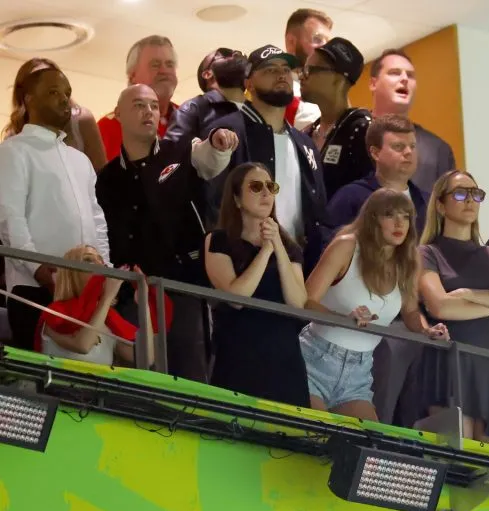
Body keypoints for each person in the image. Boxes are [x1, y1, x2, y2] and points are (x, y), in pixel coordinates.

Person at [95, 84, 238, 382]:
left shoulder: (183, 151)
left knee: (190, 380)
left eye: (153, 105)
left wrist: (218, 142)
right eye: (138, 104)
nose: (148, 111)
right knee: (136, 382)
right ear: (117, 114)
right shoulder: (107, 178)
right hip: (132, 295)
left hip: (184, 289)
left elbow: (210, 158)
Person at [302, 188, 448, 418]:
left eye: (406, 216)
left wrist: (427, 330)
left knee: (369, 446)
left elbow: (410, 311)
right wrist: (344, 319)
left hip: (359, 372)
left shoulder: (408, 262)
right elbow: (306, 301)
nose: (399, 223)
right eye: (390, 215)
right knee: (317, 437)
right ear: (372, 219)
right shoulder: (346, 246)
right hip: (316, 359)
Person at [0, 64, 109, 350]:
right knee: (40, 385)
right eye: (53, 92)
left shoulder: (79, 159)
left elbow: (97, 220)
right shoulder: (14, 150)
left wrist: (106, 273)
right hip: (34, 289)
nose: (64, 99)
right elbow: (10, 218)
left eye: (67, 93)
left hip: (85, 290)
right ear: (28, 100)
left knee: (88, 383)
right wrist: (38, 270)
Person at [418, 170, 489, 447]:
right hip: (451, 361)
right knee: (455, 458)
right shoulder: (426, 253)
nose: (470, 200)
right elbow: (441, 306)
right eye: (460, 193)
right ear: (440, 205)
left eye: (475, 194)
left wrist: (470, 295)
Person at [203, 44, 330, 275]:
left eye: (285, 69)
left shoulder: (305, 143)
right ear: (248, 83)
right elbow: (214, 204)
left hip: (298, 268)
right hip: (246, 267)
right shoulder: (227, 131)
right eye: (270, 69)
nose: (282, 74)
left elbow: (317, 210)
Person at [204, 163, 309, 406]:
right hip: (239, 353)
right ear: (237, 199)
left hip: (284, 356)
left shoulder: (289, 247)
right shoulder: (219, 241)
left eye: (270, 187)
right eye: (255, 187)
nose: (266, 193)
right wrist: (265, 251)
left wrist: (279, 248)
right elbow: (237, 298)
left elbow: (298, 303)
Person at [36, 245, 165, 368]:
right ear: (71, 274)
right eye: (88, 260)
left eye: (101, 261)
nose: (101, 266)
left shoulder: (109, 319)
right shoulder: (56, 313)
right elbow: (83, 345)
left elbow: (145, 358)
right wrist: (107, 298)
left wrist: (144, 304)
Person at [368, 49, 455, 193]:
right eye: (395, 73)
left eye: (410, 75)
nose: (404, 79)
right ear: (373, 83)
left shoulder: (438, 150)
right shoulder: (352, 135)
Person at [299, 37, 373, 201]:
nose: (301, 76)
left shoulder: (362, 130)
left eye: (310, 70)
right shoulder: (307, 133)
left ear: (338, 79)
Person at [3, 58, 106, 172]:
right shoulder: (13, 137)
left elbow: (102, 176)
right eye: (50, 91)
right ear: (28, 98)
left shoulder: (81, 120)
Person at [328, 114, 425, 231]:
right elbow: (327, 245)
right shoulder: (350, 197)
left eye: (413, 146)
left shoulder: (427, 202)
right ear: (375, 153)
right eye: (398, 146)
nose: (409, 152)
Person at [98, 36, 179, 161]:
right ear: (132, 76)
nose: (165, 71)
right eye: (155, 65)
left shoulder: (191, 118)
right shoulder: (107, 128)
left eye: (170, 64)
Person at [166, 48, 247, 144]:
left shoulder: (259, 109)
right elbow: (171, 153)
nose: (237, 54)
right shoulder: (192, 109)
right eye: (225, 54)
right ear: (208, 74)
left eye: (239, 54)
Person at [283, 8, 332, 130]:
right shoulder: (281, 92)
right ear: (291, 42)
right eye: (317, 39)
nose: (325, 48)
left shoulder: (330, 91)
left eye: (327, 43)